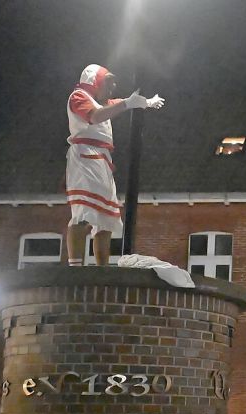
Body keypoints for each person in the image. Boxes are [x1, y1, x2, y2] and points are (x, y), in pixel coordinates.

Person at [65, 64, 164, 267]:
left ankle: (102, 269)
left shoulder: (98, 101)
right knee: (83, 214)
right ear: (95, 83)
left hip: (101, 160)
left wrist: (144, 102)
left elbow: (113, 104)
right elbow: (95, 116)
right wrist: (129, 103)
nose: (113, 87)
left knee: (105, 220)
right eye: (108, 83)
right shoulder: (79, 96)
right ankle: (75, 267)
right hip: (85, 157)